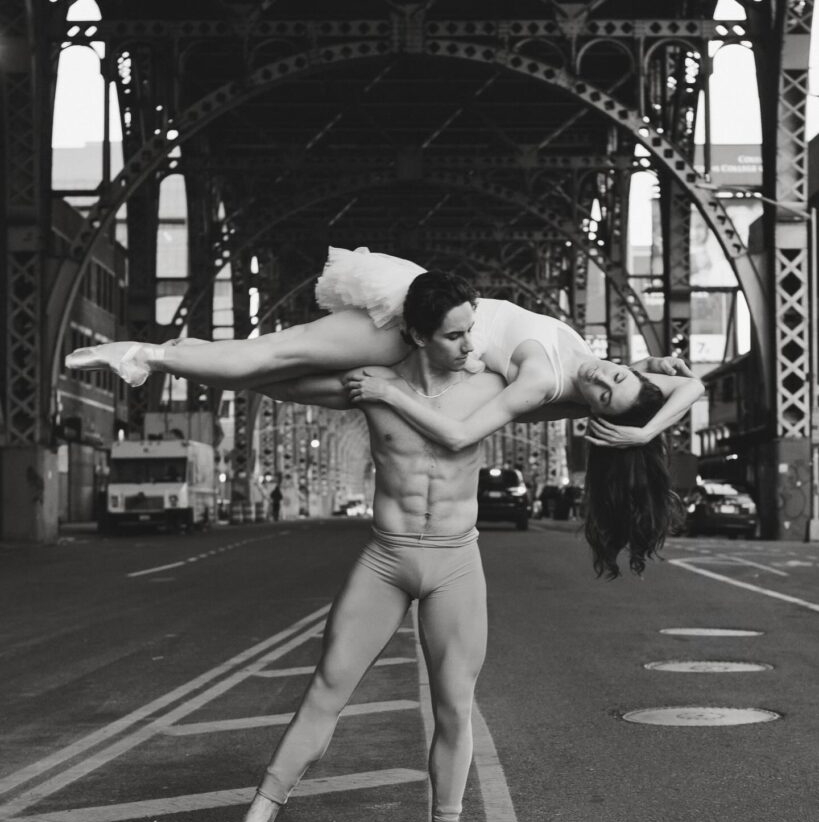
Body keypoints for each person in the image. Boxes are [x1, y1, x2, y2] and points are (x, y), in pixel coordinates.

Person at [66, 246, 704, 576]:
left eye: (603, 394)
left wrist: (394, 394)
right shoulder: (606, 375)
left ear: (594, 411)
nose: (603, 374)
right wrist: (644, 423)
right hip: (433, 335)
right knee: (280, 363)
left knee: (284, 369)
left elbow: (457, 433)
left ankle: (159, 355)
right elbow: (692, 387)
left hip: (415, 332)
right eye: (616, 372)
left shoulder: (541, 381)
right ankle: (156, 355)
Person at [200, 272, 504, 822]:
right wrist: (192, 365)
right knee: (325, 690)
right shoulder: (369, 384)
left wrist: (659, 371)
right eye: (453, 335)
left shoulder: (491, 384)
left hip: (455, 562)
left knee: (454, 707)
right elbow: (279, 377)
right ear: (417, 334)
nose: (469, 344)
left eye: (472, 330)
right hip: (388, 556)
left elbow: (580, 383)